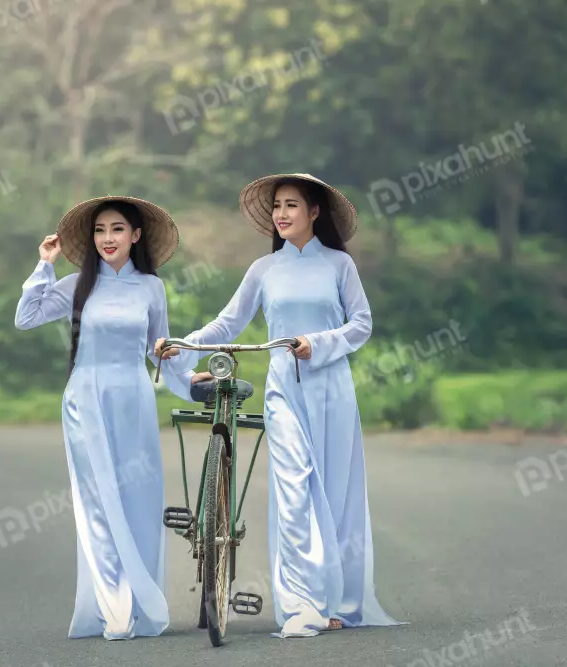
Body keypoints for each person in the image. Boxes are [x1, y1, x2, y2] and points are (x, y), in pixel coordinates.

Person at [156, 173, 405, 638]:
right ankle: (300, 605)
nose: (283, 213)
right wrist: (183, 345)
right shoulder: (264, 269)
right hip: (283, 391)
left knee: (334, 494)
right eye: (277, 206)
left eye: (293, 204)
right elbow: (228, 323)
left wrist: (320, 342)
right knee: (293, 491)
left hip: (331, 389)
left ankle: (337, 601)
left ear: (315, 213)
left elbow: (362, 324)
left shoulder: (338, 266)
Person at [15, 196, 194, 641]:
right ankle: (112, 607)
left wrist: (192, 382)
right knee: (97, 504)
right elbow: (26, 317)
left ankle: (136, 601)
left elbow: (162, 351)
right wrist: (44, 265)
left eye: (117, 229)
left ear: (136, 236)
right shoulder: (79, 284)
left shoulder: (152, 288)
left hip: (134, 399)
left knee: (138, 500)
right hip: (86, 400)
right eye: (99, 230)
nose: (107, 238)